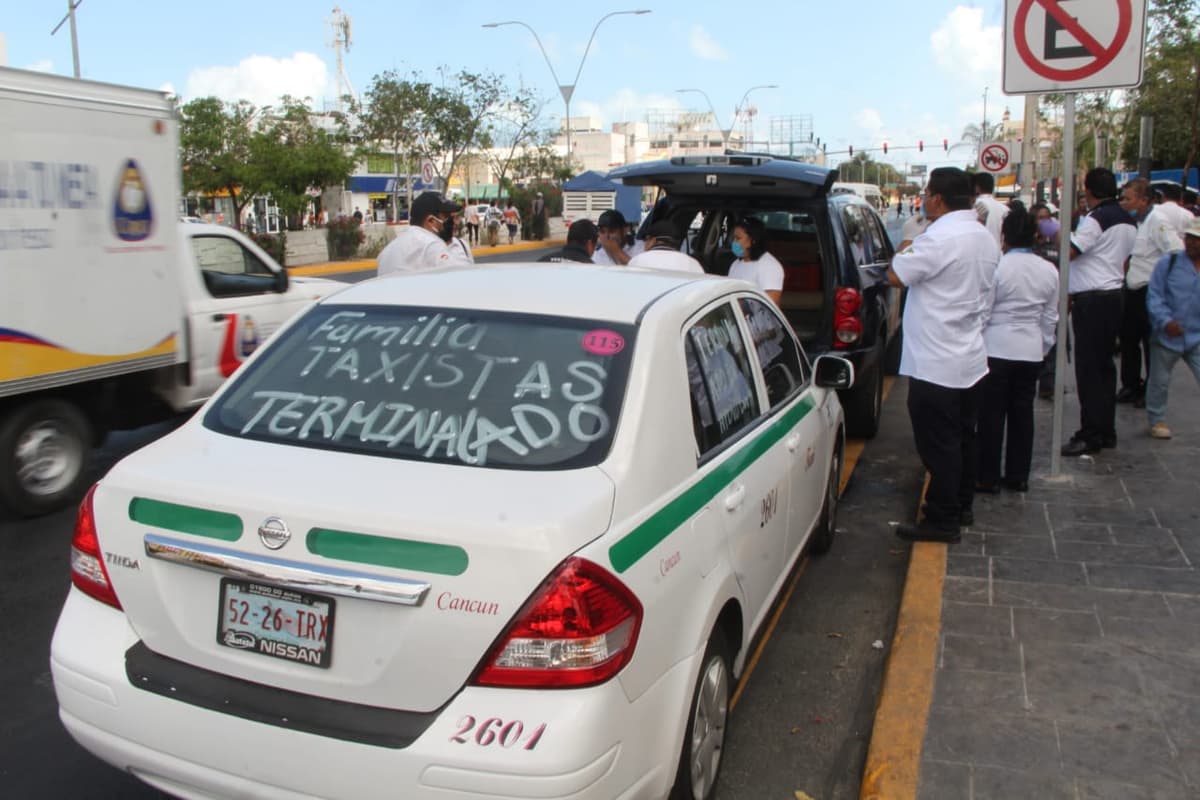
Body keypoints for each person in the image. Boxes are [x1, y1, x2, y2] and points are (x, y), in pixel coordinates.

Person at [887, 167, 999, 542]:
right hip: (968, 356)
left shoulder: (938, 237)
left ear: (936, 198)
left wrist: (906, 247)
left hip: (936, 362)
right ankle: (961, 506)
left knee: (940, 446)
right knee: (964, 439)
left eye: (926, 193)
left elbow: (897, 275)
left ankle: (942, 519)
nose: (923, 199)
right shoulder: (982, 236)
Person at [976, 202, 1058, 494]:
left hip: (996, 348)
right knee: (1023, 414)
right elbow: (1050, 317)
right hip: (1031, 349)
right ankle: (1018, 475)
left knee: (991, 415)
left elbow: (984, 311)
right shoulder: (1049, 270)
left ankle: (987, 476)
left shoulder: (999, 267)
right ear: (1035, 235)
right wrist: (1043, 346)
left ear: (1004, 237)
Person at [1060, 168, 1137, 456]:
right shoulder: (1128, 220)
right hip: (1115, 295)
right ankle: (1106, 430)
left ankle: (1090, 433)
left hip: (1092, 300)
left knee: (1089, 370)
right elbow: (1125, 261)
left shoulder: (1095, 220)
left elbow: (1070, 252)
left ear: (1089, 191)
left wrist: (1059, 231)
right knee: (1104, 369)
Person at [1117, 178, 1185, 407]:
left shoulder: (1157, 221)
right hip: (1133, 290)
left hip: (1148, 290)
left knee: (1150, 344)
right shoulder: (1137, 222)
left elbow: (1175, 251)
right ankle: (1131, 385)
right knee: (1128, 340)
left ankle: (1150, 391)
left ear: (1144, 200)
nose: (1123, 202)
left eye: (1128, 198)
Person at [1144, 217, 1200, 440]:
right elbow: (1154, 296)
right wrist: (1165, 321)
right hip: (1167, 334)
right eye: (1190, 238)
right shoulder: (1169, 263)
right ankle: (1156, 419)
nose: (1193, 243)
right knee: (1160, 380)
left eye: (1197, 239)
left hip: (1196, 335)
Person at [376, 192, 473, 276]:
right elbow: (460, 279)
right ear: (431, 221)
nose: (452, 222)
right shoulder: (431, 244)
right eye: (447, 216)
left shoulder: (386, 252)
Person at [728, 217, 784, 306]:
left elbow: (770, 305)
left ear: (752, 240)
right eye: (734, 238)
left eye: (738, 238)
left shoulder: (769, 266)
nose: (734, 242)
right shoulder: (735, 264)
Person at [628, 220, 705, 273]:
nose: (644, 243)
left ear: (653, 240)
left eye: (646, 239)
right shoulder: (692, 264)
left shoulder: (637, 261)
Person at [972, 172, 1009, 248]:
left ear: (977, 187)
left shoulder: (973, 206)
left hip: (978, 252)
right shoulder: (1005, 209)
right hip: (1000, 254)